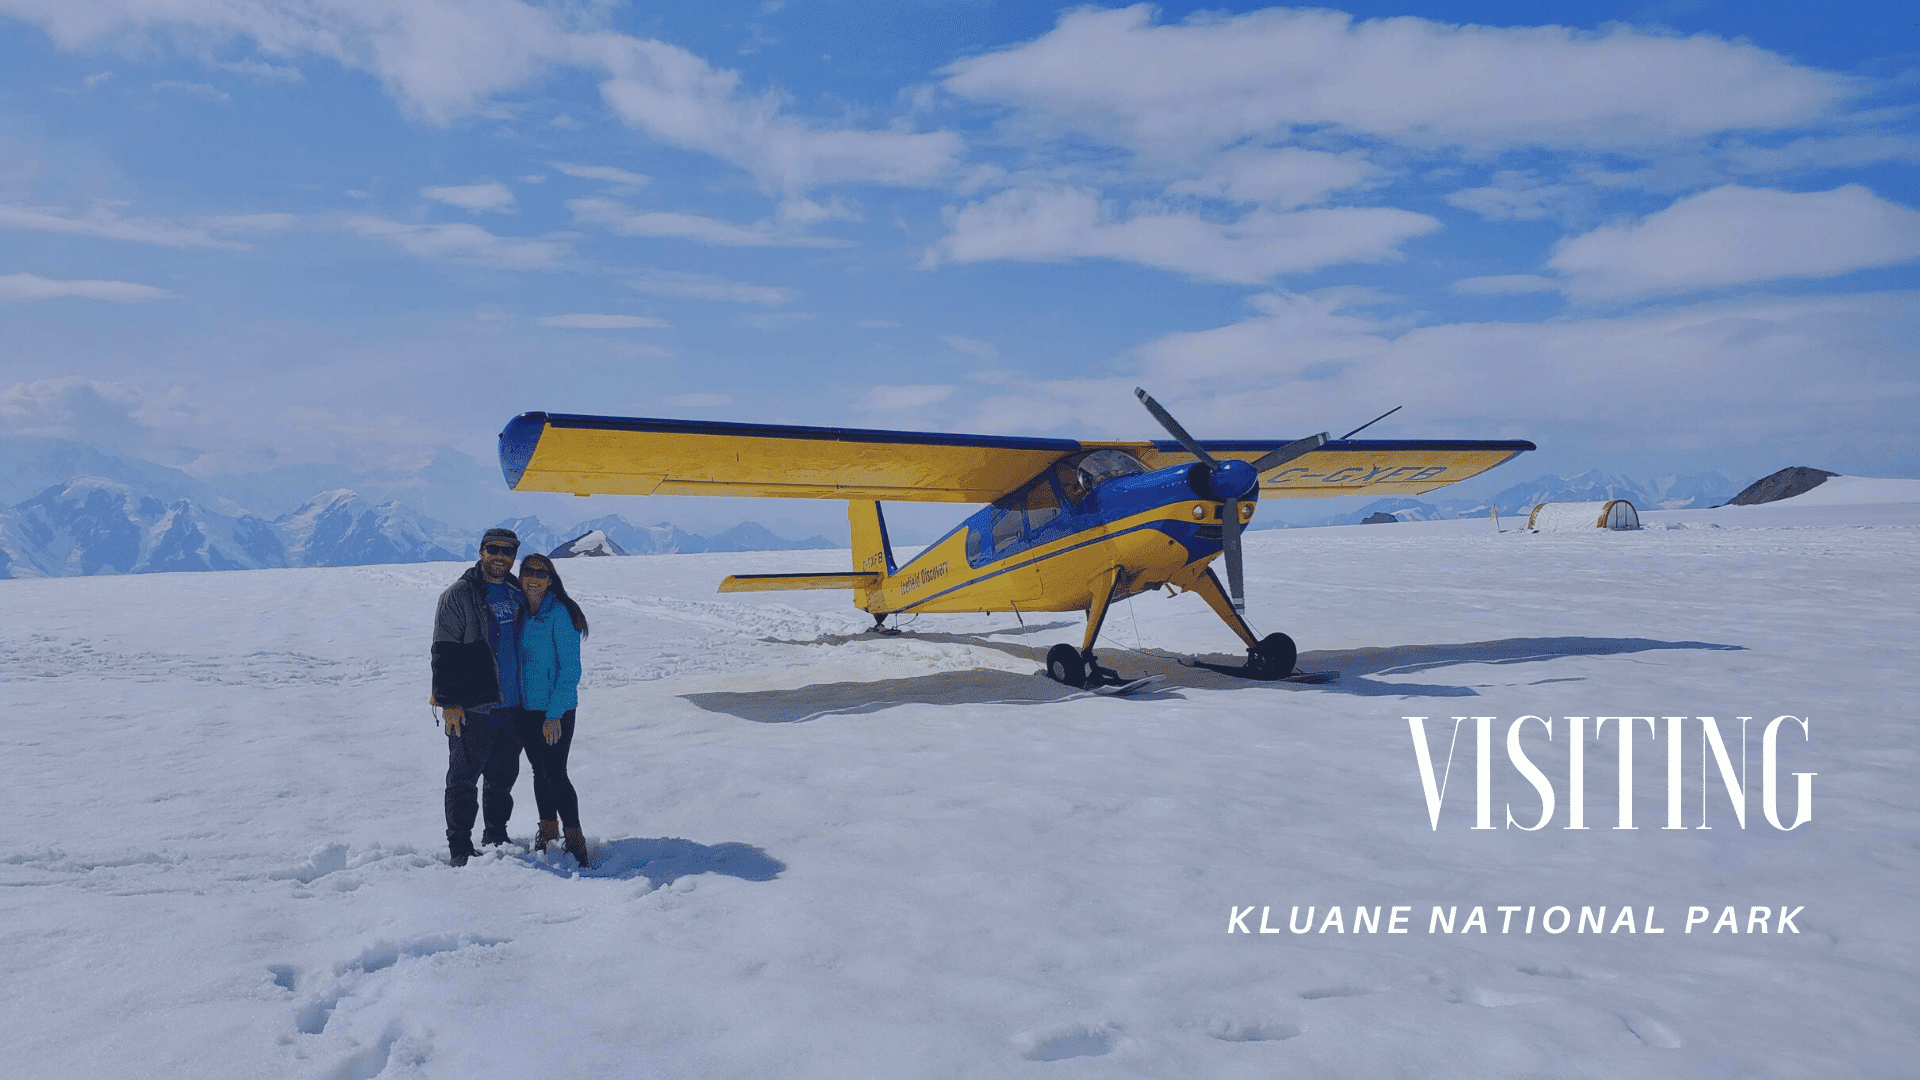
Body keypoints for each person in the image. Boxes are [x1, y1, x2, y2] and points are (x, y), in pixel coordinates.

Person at [431, 527, 528, 866]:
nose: (501, 557)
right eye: (493, 549)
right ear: (482, 551)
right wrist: (449, 703)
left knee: (503, 777)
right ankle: (459, 847)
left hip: (514, 704)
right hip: (475, 703)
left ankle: (496, 833)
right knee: (463, 777)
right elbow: (443, 652)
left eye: (508, 551)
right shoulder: (460, 594)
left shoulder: (518, 592)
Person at [515, 552, 591, 868]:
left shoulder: (561, 614)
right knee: (538, 772)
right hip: (526, 707)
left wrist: (554, 714)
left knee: (556, 774)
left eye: (541, 573)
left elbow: (570, 669)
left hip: (554, 711)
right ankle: (548, 829)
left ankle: (575, 840)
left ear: (550, 579)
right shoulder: (521, 610)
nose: (534, 577)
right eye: (528, 571)